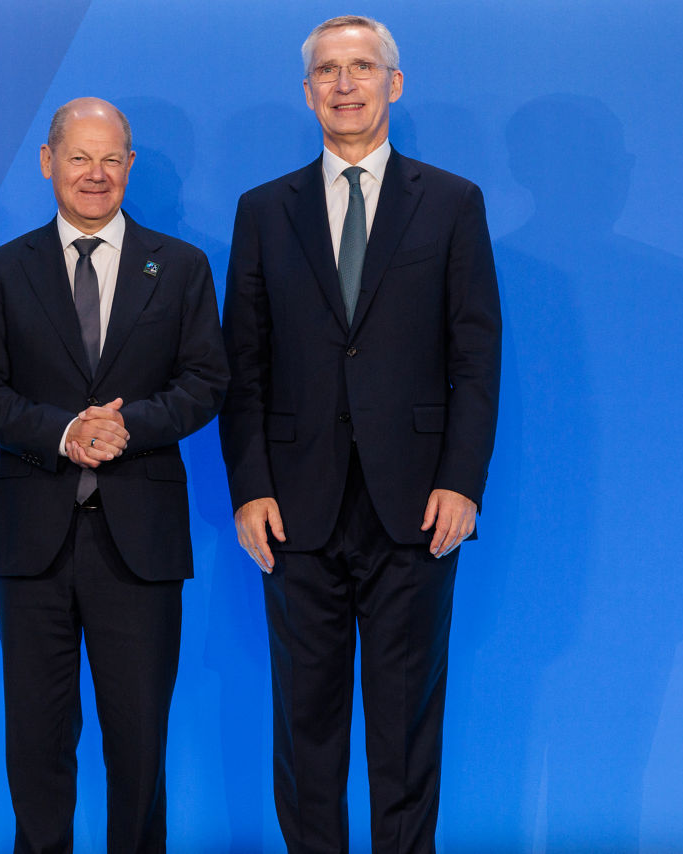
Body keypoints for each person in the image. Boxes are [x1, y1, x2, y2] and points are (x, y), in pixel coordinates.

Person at [219, 16, 501, 854]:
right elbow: (244, 363)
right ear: (308, 93)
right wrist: (249, 488)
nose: (346, 85)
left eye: (362, 68)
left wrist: (463, 481)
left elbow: (476, 359)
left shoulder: (451, 202)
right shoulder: (264, 210)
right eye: (329, 72)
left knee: (406, 733)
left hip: (417, 508)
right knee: (305, 730)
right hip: (294, 513)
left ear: (394, 84)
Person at [0, 97, 228, 854]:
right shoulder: (4, 270)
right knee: (36, 742)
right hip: (31, 543)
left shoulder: (179, 267)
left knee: (138, 741)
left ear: (131, 167)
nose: (95, 174)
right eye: (79, 157)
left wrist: (124, 427)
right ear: (48, 162)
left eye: (112, 158)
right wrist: (66, 432)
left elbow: (207, 380)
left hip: (139, 542)